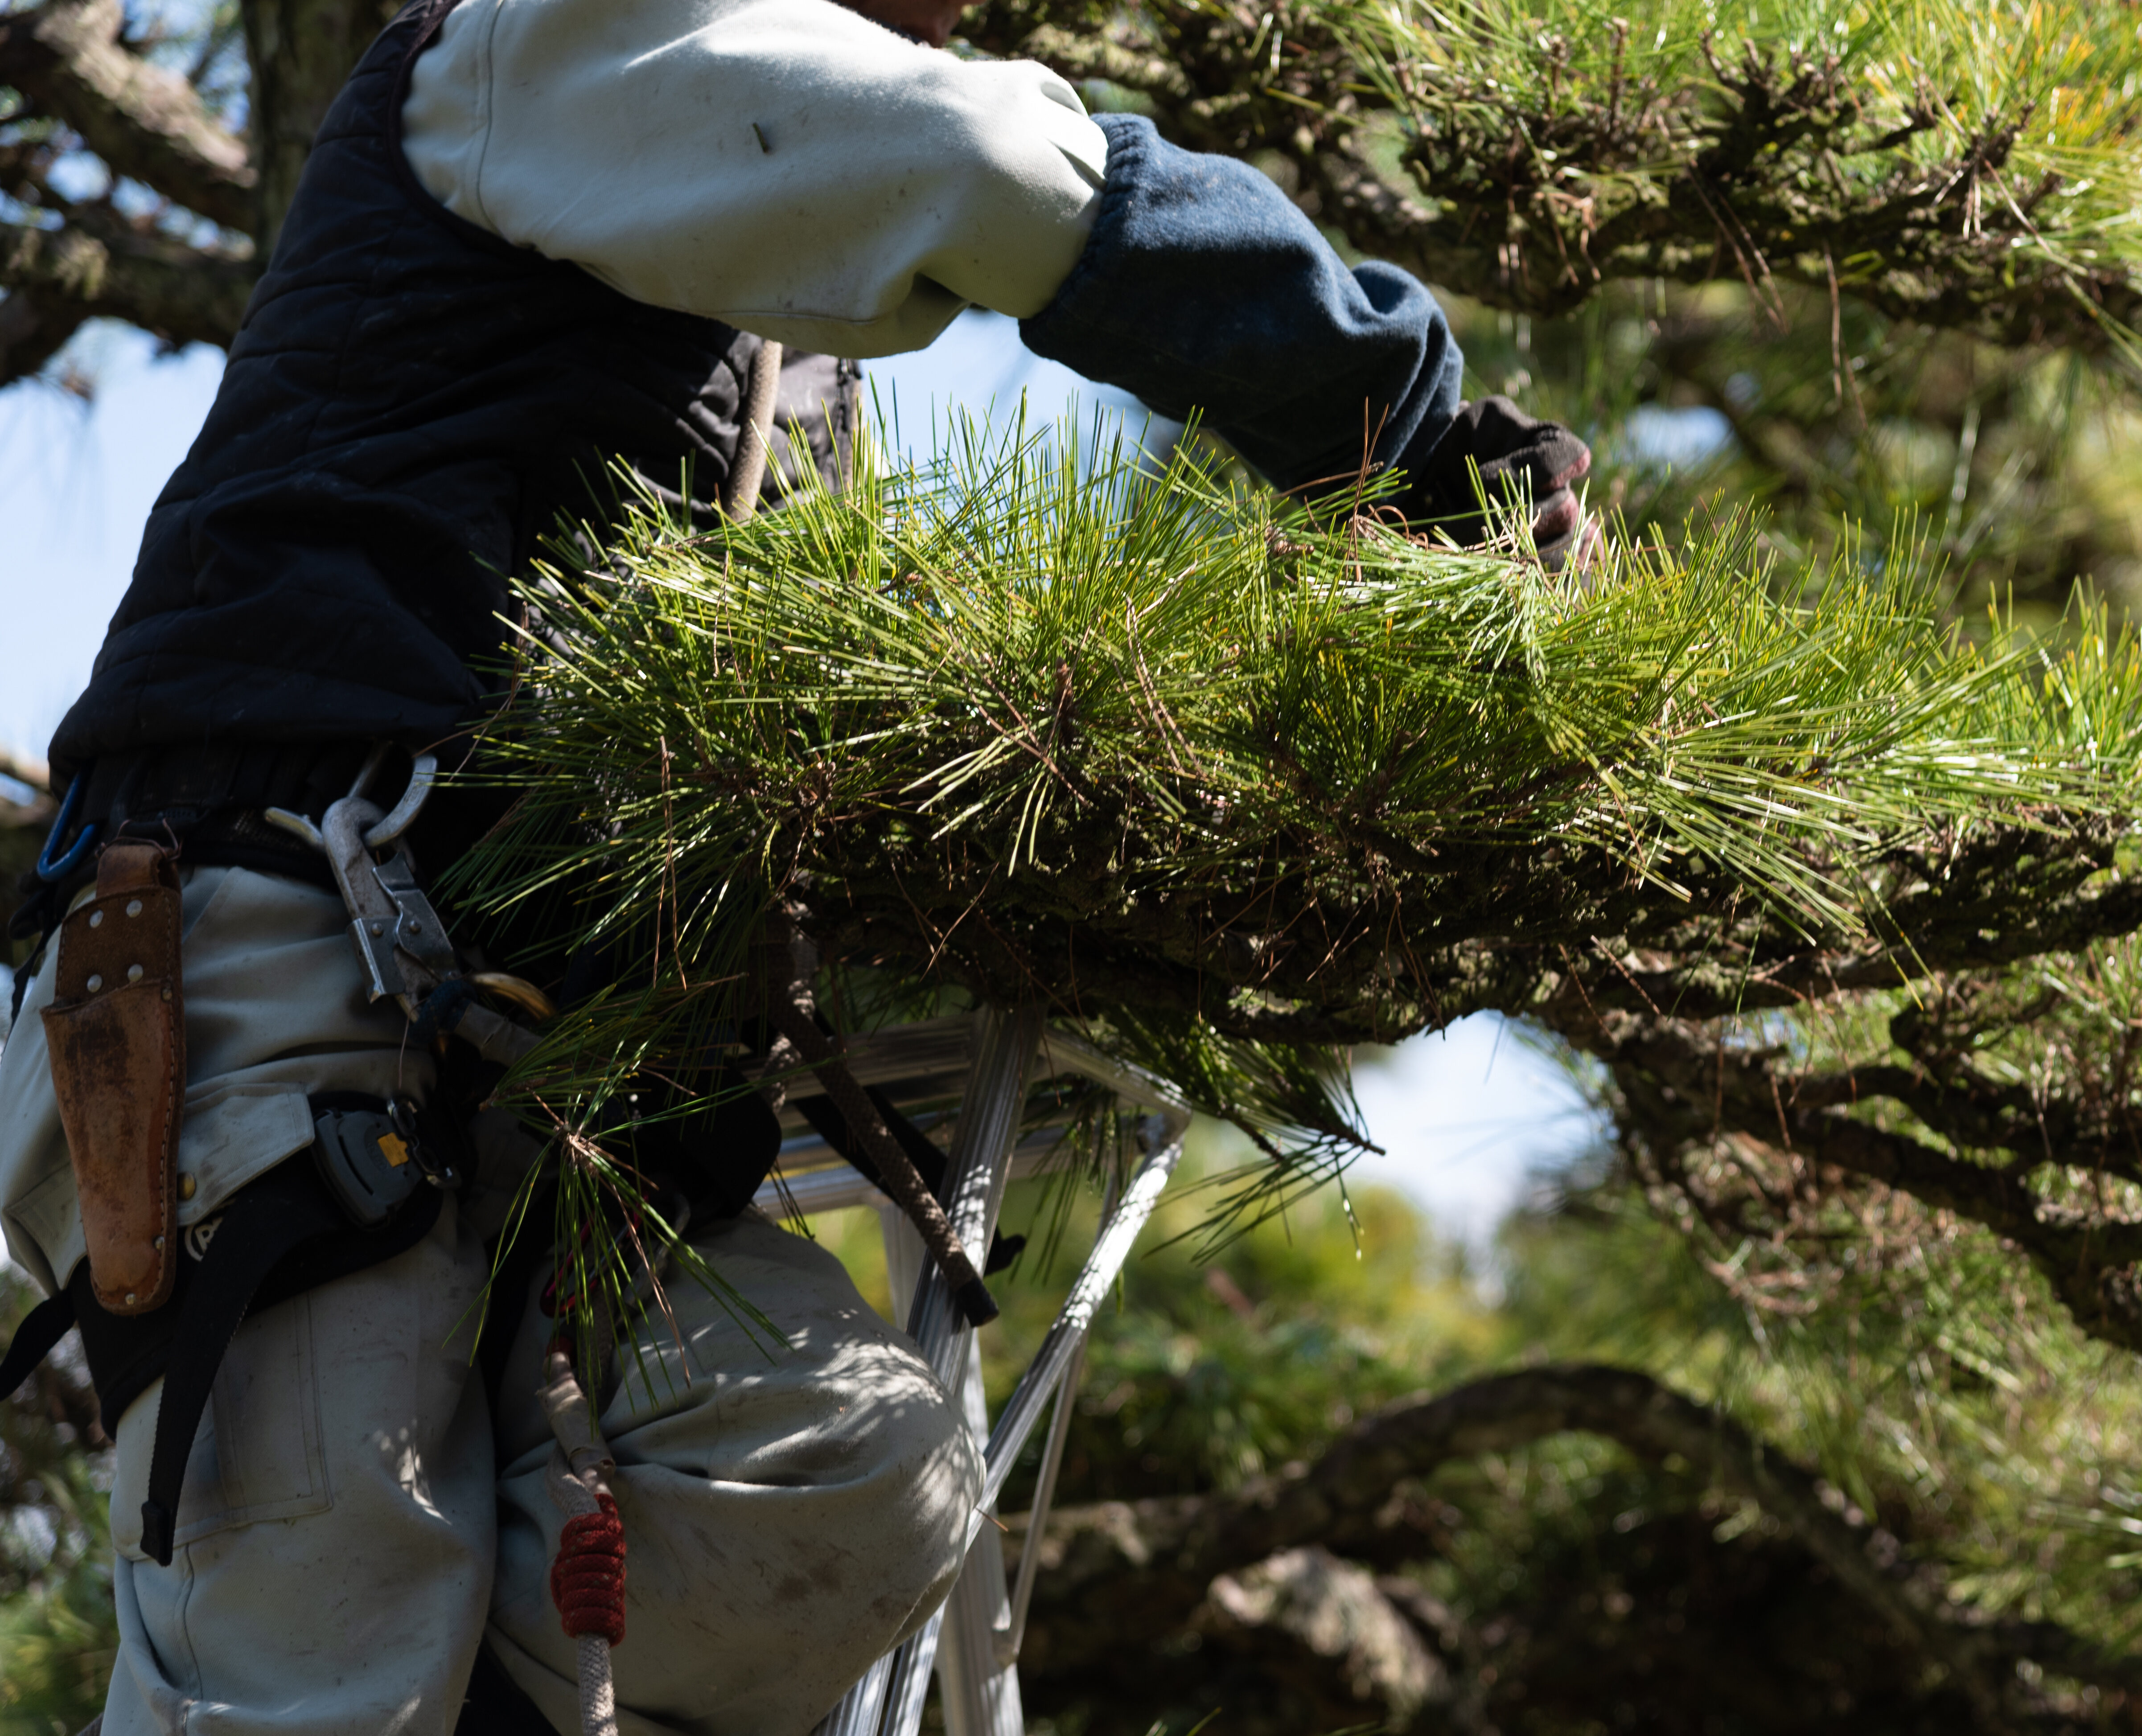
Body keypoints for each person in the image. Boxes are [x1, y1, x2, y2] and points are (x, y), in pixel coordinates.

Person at [0, 0, 1594, 1728]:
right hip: (280, 974)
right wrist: (1401, 420)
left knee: (850, 1468)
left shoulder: (781, 346)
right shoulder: (534, 47)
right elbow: (987, 160)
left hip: (556, 1089)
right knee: (321, 1653)